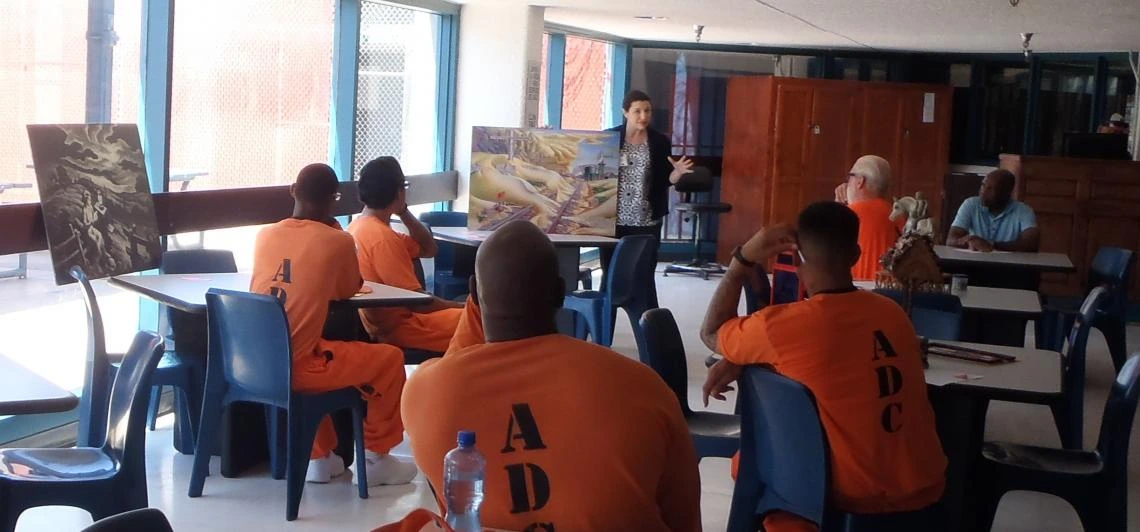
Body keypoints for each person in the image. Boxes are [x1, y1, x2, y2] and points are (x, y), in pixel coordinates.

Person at [402, 221, 701, 531]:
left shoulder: (424, 391)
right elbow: (683, 519)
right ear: (561, 292)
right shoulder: (643, 387)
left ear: (473, 292)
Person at [702, 202, 946, 532]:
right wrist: (743, 359)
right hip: (925, 485)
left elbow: (711, 332)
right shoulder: (893, 314)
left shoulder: (781, 327)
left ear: (797, 258)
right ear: (857, 255)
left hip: (845, 495)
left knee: (750, 461)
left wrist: (741, 260)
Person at [250, 163, 417, 486]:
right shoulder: (335, 241)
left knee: (315, 348)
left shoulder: (264, 235)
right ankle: (375, 456)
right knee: (389, 358)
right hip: (298, 369)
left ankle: (321, 458)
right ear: (335, 200)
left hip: (256, 365)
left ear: (292, 190)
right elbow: (346, 289)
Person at [348, 157, 464, 353]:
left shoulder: (357, 227)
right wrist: (461, 306)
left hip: (384, 326)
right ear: (399, 191)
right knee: (481, 319)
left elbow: (429, 249)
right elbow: (418, 303)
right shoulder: (383, 239)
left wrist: (403, 212)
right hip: (406, 328)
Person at [600, 90, 694, 306]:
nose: (643, 116)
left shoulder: (659, 141)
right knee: (611, 277)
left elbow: (664, 180)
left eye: (647, 111)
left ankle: (647, 326)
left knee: (643, 278)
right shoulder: (610, 138)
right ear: (625, 112)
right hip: (612, 221)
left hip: (646, 220)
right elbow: (596, 175)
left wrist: (677, 174)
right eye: (637, 111)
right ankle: (604, 329)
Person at [833, 155, 903, 280]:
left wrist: (838, 207)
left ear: (860, 181)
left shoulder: (848, 216)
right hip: (891, 294)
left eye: (850, 176)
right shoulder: (898, 215)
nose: (846, 183)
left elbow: (824, 257)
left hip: (856, 292)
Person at [946, 169, 1039, 252]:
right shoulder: (971, 204)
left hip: (1008, 267)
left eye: (990, 189)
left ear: (1006, 192)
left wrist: (992, 245)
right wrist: (972, 242)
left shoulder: (1023, 211)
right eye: (983, 185)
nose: (983, 191)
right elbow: (951, 240)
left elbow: (1031, 244)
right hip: (974, 264)